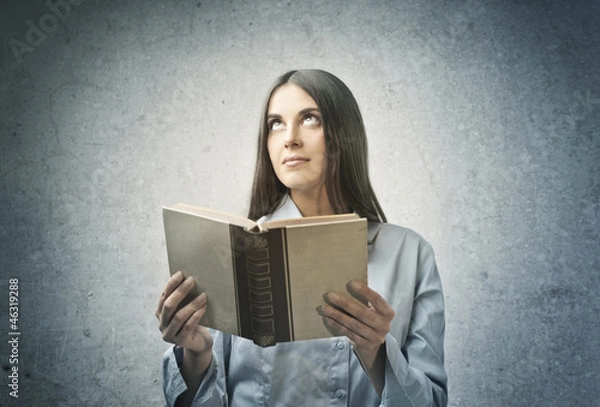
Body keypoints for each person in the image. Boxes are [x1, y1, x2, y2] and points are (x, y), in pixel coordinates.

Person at [156, 69, 448, 406]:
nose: (289, 138)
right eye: (275, 123)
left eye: (310, 118)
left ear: (345, 135)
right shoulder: (231, 251)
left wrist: (377, 351)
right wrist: (196, 355)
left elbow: (433, 402)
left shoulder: (410, 254)